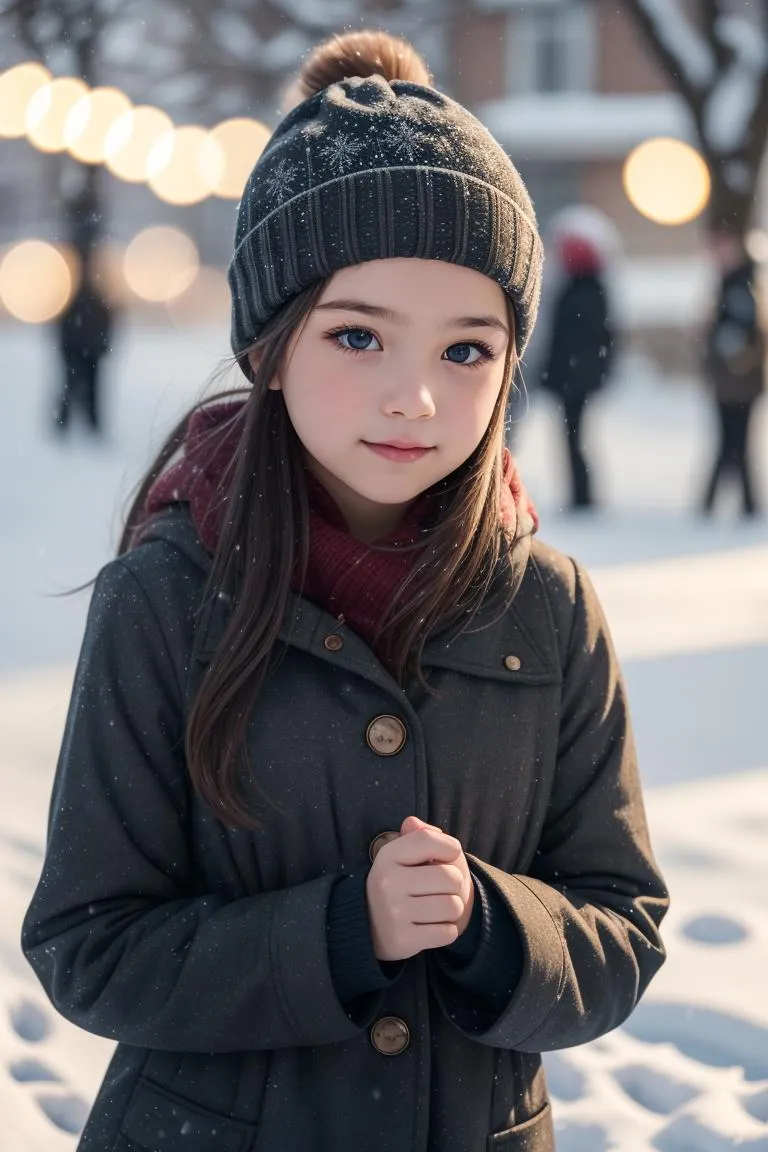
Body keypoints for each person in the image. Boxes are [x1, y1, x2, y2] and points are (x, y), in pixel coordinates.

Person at [21, 30, 668, 1152]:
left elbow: (623, 924)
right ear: (270, 347)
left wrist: (496, 926)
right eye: (359, 335)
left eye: (467, 351)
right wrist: (336, 931)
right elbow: (91, 944)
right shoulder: (164, 601)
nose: (413, 397)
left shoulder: (550, 610)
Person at [539, 231, 614, 510]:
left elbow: (578, 339)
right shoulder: (581, 288)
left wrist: (568, 374)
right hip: (573, 379)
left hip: (574, 380)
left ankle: (581, 496)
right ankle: (579, 494)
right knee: (573, 438)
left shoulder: (585, 290)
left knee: (574, 438)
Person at [701, 232, 765, 518]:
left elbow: (739, 337)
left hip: (736, 383)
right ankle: (737, 504)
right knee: (733, 443)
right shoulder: (737, 284)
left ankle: (718, 504)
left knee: (732, 443)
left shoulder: (739, 287)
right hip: (735, 382)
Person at [53, 256, 113, 435]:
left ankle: (80, 422)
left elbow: (105, 324)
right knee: (78, 389)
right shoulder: (91, 300)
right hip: (83, 351)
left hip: (84, 351)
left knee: (77, 388)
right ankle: (78, 422)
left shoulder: (80, 300)